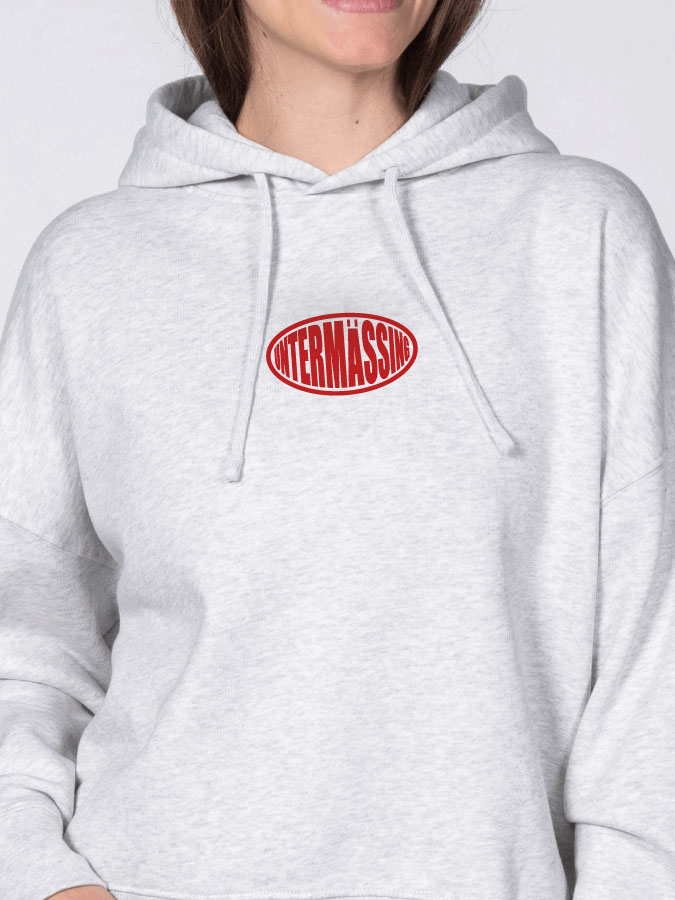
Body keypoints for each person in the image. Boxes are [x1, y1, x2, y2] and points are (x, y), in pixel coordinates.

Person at [1, 1, 674, 899]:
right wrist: (40, 876)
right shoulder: (90, 267)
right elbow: (25, 646)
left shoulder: (580, 233)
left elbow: (655, 655)